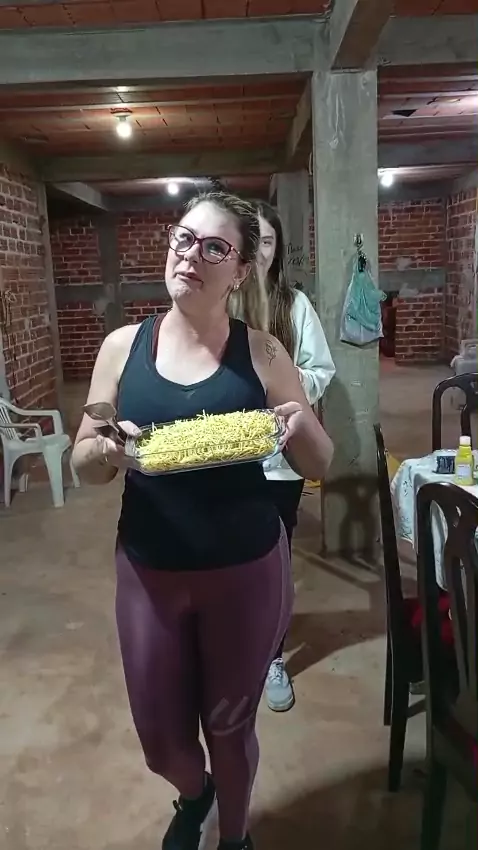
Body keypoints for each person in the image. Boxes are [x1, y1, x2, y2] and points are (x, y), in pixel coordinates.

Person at [72, 191, 333, 850]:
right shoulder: (121, 348)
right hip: (149, 569)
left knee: (229, 726)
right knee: (161, 741)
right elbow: (84, 461)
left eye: (215, 247)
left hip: (245, 568)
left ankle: (235, 837)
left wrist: (300, 426)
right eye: (184, 238)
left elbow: (320, 460)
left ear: (241, 271)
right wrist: (104, 451)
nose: (191, 256)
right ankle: (196, 792)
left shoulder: (264, 353)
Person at [233, 200, 335, 713]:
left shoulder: (294, 306)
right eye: (251, 241)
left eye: (267, 241)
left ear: (277, 250)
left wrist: (281, 389)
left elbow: (321, 369)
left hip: (278, 460)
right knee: (228, 558)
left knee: (274, 559)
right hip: (225, 458)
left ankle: (272, 655)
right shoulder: (219, 304)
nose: (259, 251)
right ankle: (236, 653)